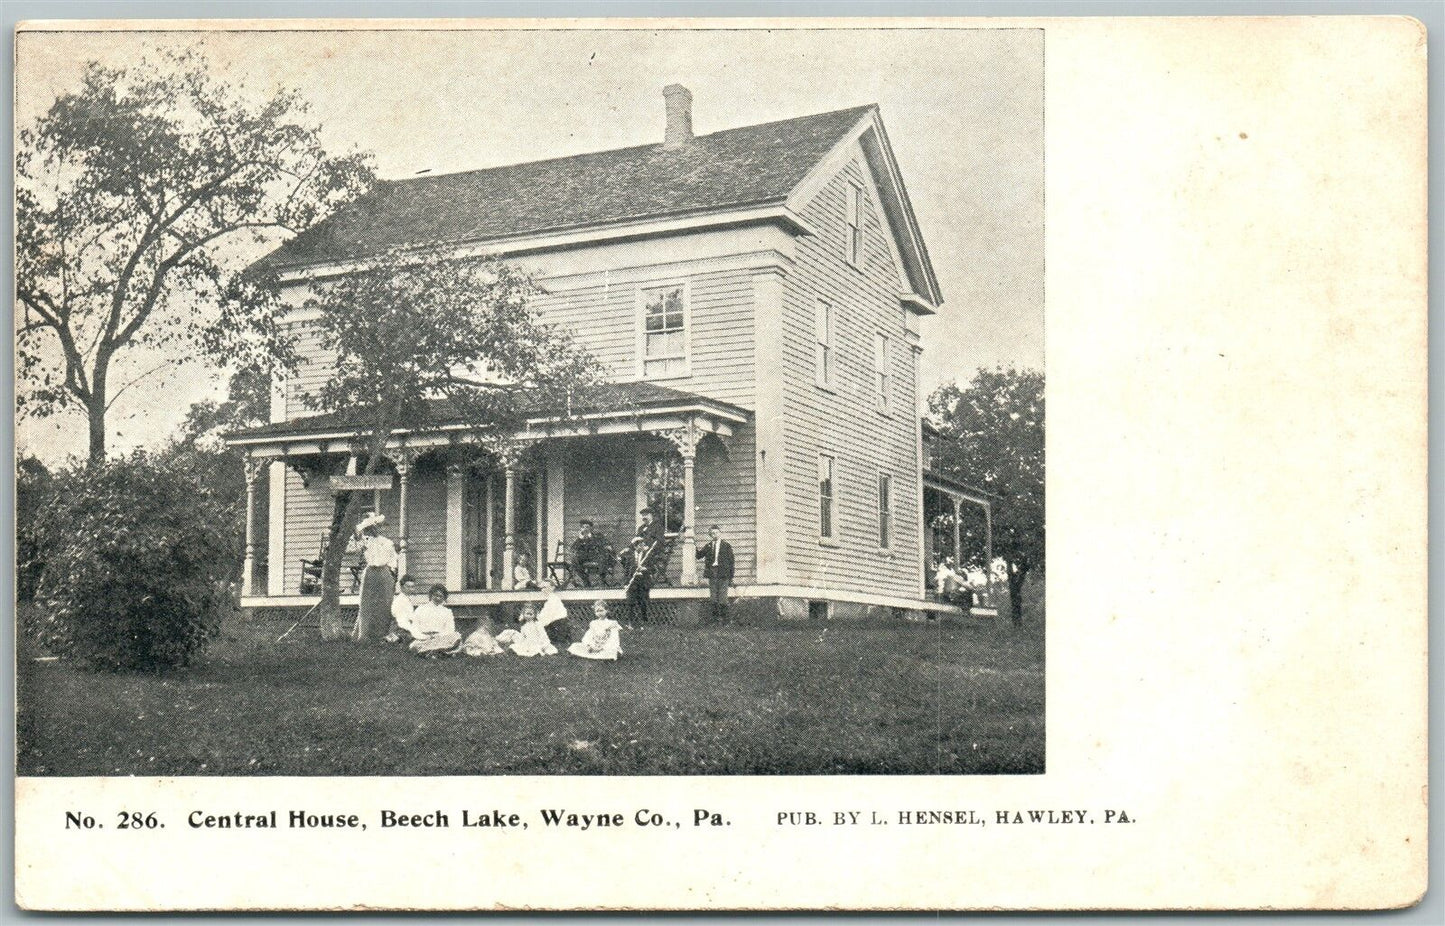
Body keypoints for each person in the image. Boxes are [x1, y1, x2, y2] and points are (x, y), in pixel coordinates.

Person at [347, 513, 398, 642]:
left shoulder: (387, 542)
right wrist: (359, 530)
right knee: (367, 603)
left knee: (385, 603)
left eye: (375, 527)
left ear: (379, 527)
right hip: (370, 573)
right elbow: (352, 546)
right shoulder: (365, 541)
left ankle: (382, 634)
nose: (373, 530)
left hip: (384, 572)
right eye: (369, 528)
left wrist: (392, 572)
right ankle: (365, 635)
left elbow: (393, 559)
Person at [408, 584, 462, 656]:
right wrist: (425, 636)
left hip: (440, 638)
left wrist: (438, 636)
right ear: (431, 595)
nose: (438, 598)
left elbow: (450, 629)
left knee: (456, 636)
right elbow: (415, 627)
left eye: (441, 596)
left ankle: (431, 652)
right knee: (415, 645)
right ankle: (441, 652)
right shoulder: (420, 609)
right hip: (424, 638)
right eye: (436, 595)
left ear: (444, 598)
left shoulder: (447, 611)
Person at [696, 524, 735, 623]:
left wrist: (731, 576)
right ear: (710, 535)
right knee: (713, 597)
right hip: (712, 572)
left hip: (723, 573)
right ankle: (714, 621)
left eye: (717, 532)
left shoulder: (726, 546)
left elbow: (731, 561)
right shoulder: (708, 546)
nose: (715, 535)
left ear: (720, 533)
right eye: (712, 533)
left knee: (723, 597)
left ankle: (725, 621)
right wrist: (693, 545)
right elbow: (699, 556)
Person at [569, 519, 614, 587]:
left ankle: (602, 582)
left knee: (602, 558)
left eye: (587, 527)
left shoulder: (597, 536)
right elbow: (573, 548)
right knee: (574, 560)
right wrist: (580, 539)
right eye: (583, 527)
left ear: (591, 528)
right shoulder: (580, 539)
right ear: (581, 529)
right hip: (584, 558)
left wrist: (590, 538)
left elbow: (605, 545)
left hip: (596, 556)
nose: (585, 529)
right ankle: (585, 581)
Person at [621, 536, 654, 627]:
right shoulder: (630, 557)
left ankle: (644, 623)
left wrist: (644, 568)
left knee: (643, 602)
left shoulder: (647, 556)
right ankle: (630, 623)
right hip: (633, 582)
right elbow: (627, 571)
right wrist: (625, 583)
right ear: (635, 546)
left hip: (643, 581)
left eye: (643, 545)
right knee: (630, 603)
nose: (642, 547)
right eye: (640, 545)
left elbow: (653, 569)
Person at [537, 579, 573, 645]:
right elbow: (544, 615)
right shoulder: (550, 600)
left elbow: (548, 617)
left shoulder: (553, 600)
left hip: (559, 627)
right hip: (554, 625)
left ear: (552, 588)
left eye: (545, 587)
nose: (543, 590)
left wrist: (538, 626)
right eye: (541, 588)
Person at [385, 574, 419, 644]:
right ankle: (392, 639)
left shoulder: (407, 599)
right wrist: (413, 630)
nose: (410, 589)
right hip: (398, 628)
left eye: (412, 587)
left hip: (405, 626)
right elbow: (401, 621)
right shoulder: (400, 601)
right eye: (408, 586)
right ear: (402, 587)